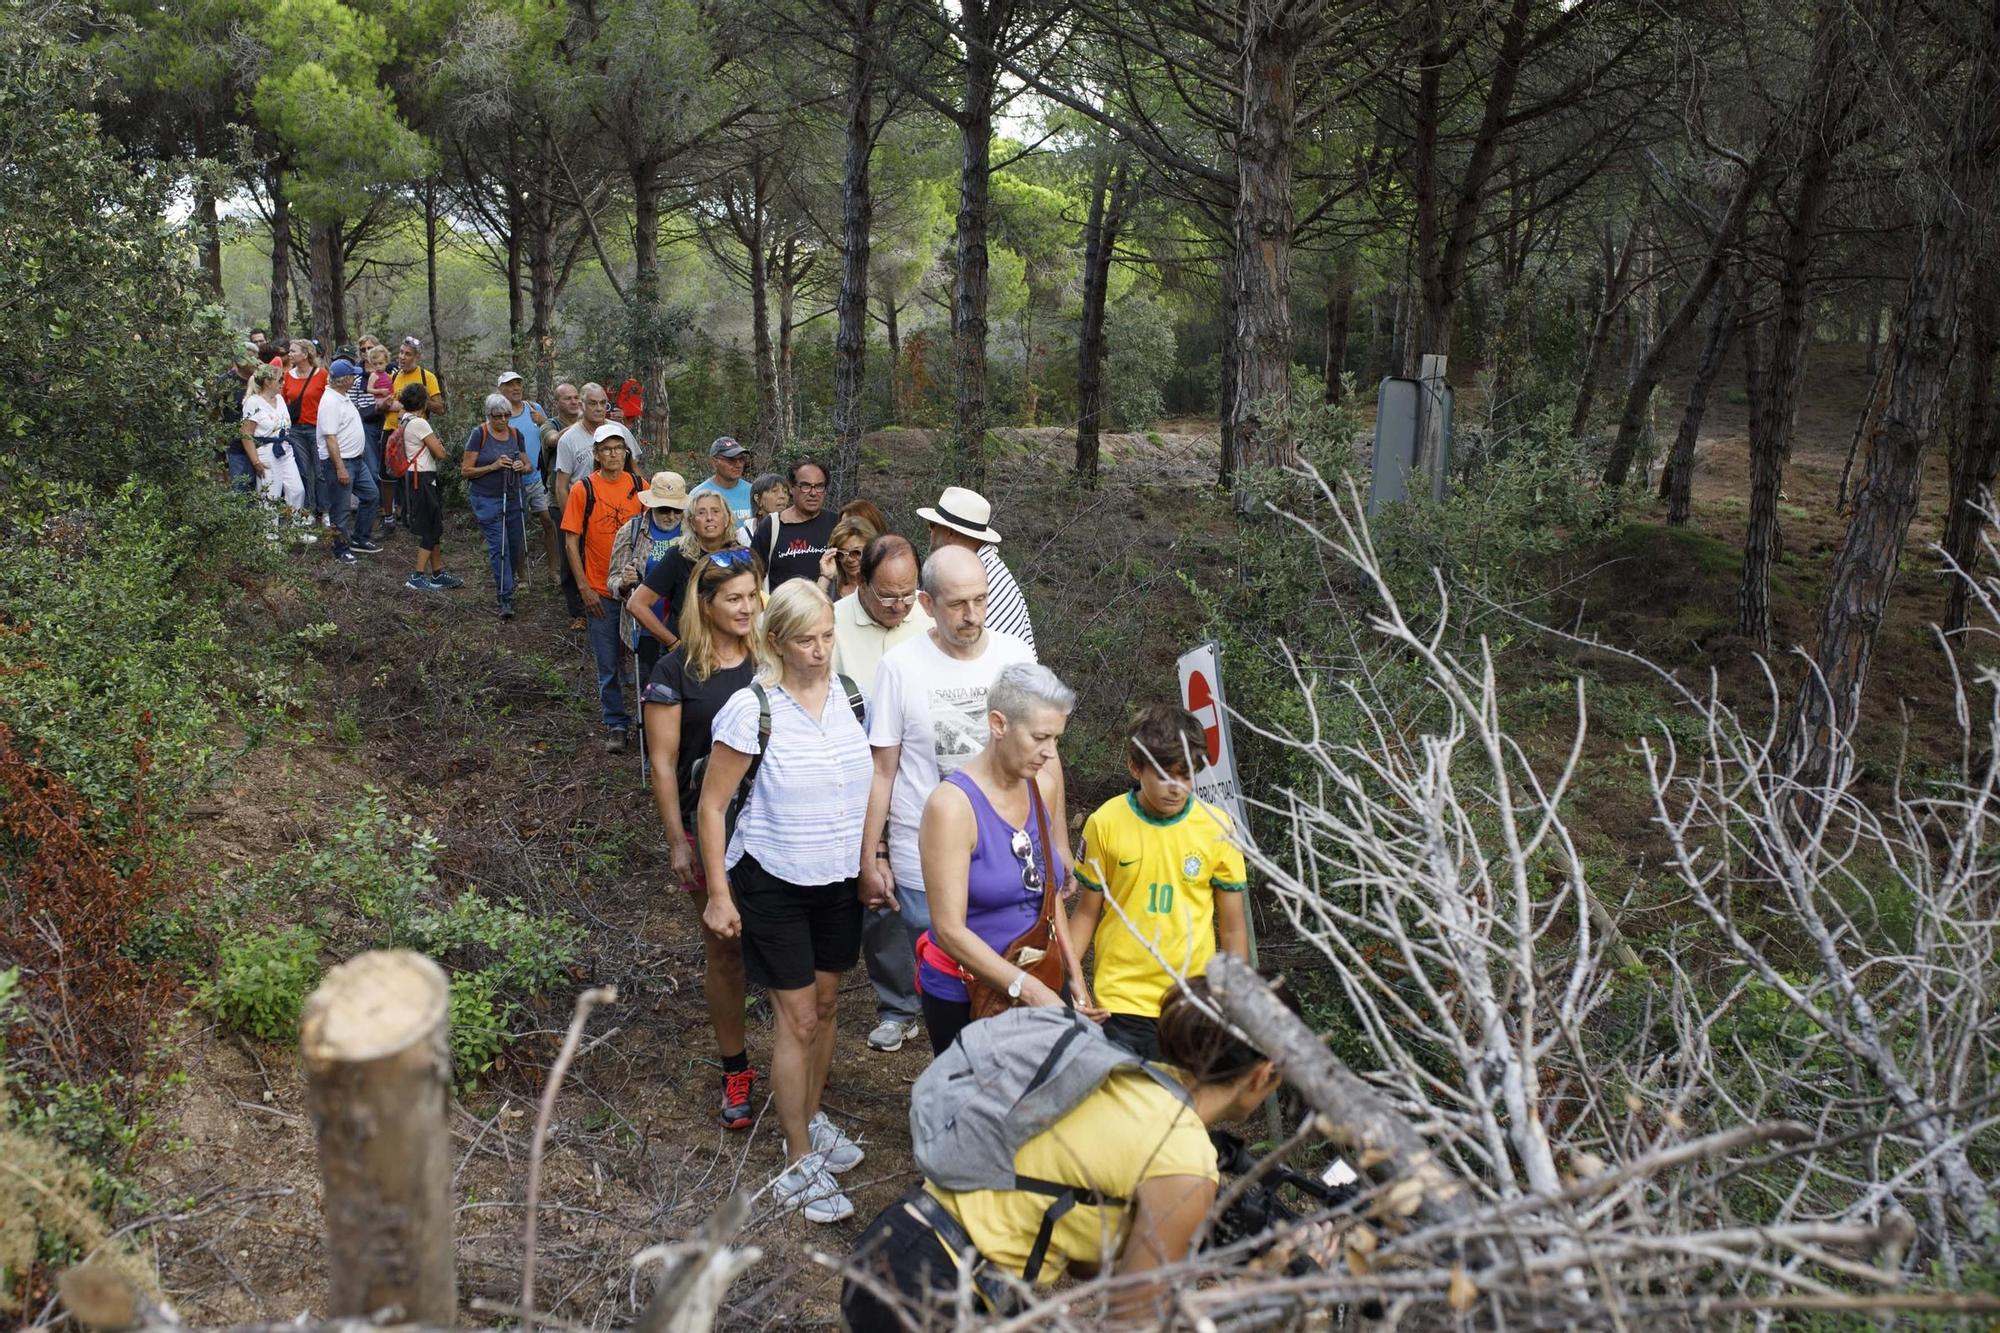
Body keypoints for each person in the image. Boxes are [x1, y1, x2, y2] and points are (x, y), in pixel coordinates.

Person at [839, 977, 1287, 1330]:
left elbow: (1083, 1251)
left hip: (899, 1240)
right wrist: (1252, 1292)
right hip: (940, 1290)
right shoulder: (1185, 1155)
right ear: (1264, 1073)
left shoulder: (1118, 1071)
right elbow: (1133, 1322)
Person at [696, 579, 871, 1223]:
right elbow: (713, 805)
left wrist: (874, 861)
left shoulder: (854, 698)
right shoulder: (753, 710)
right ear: (776, 642)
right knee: (796, 1020)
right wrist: (719, 892)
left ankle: (812, 1115)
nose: (821, 650)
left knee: (825, 1009)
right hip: (773, 882)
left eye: (828, 636)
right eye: (807, 640)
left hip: (838, 883)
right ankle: (799, 1159)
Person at [857, 545, 1040, 1054]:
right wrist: (872, 854)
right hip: (925, 854)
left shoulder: (1015, 659)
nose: (973, 615)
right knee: (945, 978)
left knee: (1003, 988)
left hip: (1007, 856)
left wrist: (1058, 845)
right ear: (925, 602)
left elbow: (1045, 760)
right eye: (958, 603)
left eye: (980, 600)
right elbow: (883, 767)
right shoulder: (900, 667)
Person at [640, 549, 764, 1130]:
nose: (747, 607)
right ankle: (735, 1067)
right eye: (734, 598)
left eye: (754, 595)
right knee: (726, 948)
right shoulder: (676, 671)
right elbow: (664, 766)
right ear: (706, 603)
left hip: (779, 831)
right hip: (711, 828)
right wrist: (678, 841)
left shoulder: (773, 659)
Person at [915, 663, 1092, 1056]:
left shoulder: (1041, 786)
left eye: (1057, 739)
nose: (1050, 753)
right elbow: (948, 930)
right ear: (998, 724)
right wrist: (1027, 989)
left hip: (1036, 970)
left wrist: (1073, 973)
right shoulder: (952, 808)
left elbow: (1048, 897)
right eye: (1040, 738)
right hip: (965, 991)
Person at [1068, 706, 1250, 1061]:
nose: (1176, 788)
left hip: (1191, 1000)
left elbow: (1232, 929)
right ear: (1136, 768)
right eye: (1165, 775)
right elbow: (1087, 914)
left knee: (1183, 1110)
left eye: (1186, 776)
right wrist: (1072, 985)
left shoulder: (1218, 827)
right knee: (1129, 1107)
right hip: (1121, 999)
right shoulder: (1105, 823)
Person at [563, 422, 646, 751]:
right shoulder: (583, 489)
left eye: (618, 448)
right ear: (596, 455)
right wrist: (583, 587)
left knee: (644, 658)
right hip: (600, 587)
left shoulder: (640, 486)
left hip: (636, 589)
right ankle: (615, 722)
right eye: (606, 449)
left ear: (626, 453)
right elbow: (571, 542)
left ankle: (647, 718)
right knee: (608, 661)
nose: (613, 454)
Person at [628, 490, 742, 671]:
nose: (709, 518)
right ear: (691, 522)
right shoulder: (679, 556)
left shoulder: (740, 556)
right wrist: (673, 644)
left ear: (727, 518)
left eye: (716, 511)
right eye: (701, 513)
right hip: (688, 657)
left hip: (731, 653)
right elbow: (636, 604)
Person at [554, 383, 634, 629]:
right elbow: (561, 484)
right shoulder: (568, 439)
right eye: (593, 403)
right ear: (582, 404)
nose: (599, 408)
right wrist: (576, 521)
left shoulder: (620, 431)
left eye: (603, 404)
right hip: (583, 504)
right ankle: (580, 611)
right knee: (573, 558)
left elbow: (634, 469)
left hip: (619, 503)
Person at [920, 485, 1035, 655]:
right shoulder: (985, 565)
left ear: (950, 533)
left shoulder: (974, 579)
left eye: (932, 525)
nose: (929, 532)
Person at [608, 469, 690, 683]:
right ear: (652, 506)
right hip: (645, 628)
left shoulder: (692, 532)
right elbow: (613, 581)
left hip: (684, 626)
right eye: (664, 510)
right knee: (651, 687)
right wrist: (624, 584)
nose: (671, 516)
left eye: (677, 510)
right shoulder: (631, 532)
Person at [829, 535, 932, 694]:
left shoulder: (932, 615)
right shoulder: (830, 624)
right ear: (862, 582)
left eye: (907, 595)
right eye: (887, 597)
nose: (898, 607)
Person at [464, 392, 533, 618]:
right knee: (499, 547)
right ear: (488, 415)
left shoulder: (516, 434)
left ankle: (508, 583)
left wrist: (520, 467)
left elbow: (528, 465)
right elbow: (466, 471)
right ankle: (505, 598)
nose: (502, 420)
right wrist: (492, 466)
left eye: (506, 416)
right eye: (497, 416)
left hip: (514, 496)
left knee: (514, 545)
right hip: (487, 499)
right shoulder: (479, 434)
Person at [498, 371, 563, 587]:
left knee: (549, 522)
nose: (516, 388)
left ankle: (553, 572)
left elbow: (548, 432)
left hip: (538, 478)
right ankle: (522, 577)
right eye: (510, 385)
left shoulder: (534, 409)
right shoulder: (500, 415)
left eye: (518, 384)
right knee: (517, 528)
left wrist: (543, 420)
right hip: (513, 480)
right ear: (501, 390)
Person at [395, 382, 460, 591]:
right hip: (423, 478)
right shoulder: (420, 423)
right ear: (424, 403)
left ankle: (438, 572)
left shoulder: (404, 420)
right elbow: (440, 454)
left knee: (434, 526)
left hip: (414, 475)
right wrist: (439, 444)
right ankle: (417, 575)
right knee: (431, 527)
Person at [316, 358, 373, 563]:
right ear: (343, 380)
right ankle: (340, 549)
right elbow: (330, 438)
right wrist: (340, 467)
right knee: (340, 509)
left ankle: (359, 538)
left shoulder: (343, 396)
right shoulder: (330, 402)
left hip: (357, 460)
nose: (356, 379)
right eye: (353, 377)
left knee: (371, 495)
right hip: (341, 462)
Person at [750, 458, 837, 591]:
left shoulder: (836, 524)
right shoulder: (772, 526)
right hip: (784, 609)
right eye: (806, 486)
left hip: (829, 608)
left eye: (819, 486)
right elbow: (752, 576)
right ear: (791, 488)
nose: (813, 493)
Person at [241, 363, 305, 517]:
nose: (283, 383)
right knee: (270, 495)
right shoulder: (253, 402)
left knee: (297, 489)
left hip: (284, 449)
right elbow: (246, 433)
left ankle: (295, 529)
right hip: (266, 451)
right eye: (280, 380)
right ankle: (269, 537)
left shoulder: (280, 399)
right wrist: (255, 461)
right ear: (268, 382)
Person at [281, 339, 327, 517]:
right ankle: (309, 510)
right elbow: (284, 402)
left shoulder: (321, 374)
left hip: (317, 428)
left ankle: (325, 510)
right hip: (296, 430)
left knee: (320, 470)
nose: (290, 354)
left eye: (293, 351)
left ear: (306, 354)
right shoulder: (287, 376)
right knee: (304, 471)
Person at [360, 346, 395, 525]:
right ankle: (383, 506)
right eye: (376, 364)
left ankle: (392, 506)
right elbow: (369, 389)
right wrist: (379, 393)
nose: (379, 367)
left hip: (388, 416)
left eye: (381, 363)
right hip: (379, 406)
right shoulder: (373, 376)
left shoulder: (389, 375)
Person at [688, 436, 754, 528]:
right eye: (731, 460)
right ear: (714, 461)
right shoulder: (698, 494)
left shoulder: (753, 491)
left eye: (741, 459)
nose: (738, 465)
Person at [817, 514, 877, 602]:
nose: (849, 559)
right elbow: (808, 613)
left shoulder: (883, 585)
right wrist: (825, 577)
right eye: (841, 554)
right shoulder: (830, 587)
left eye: (856, 552)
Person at [739, 472, 789, 546]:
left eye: (785, 492)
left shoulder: (794, 530)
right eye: (774, 491)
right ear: (758, 499)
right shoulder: (742, 537)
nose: (782, 496)